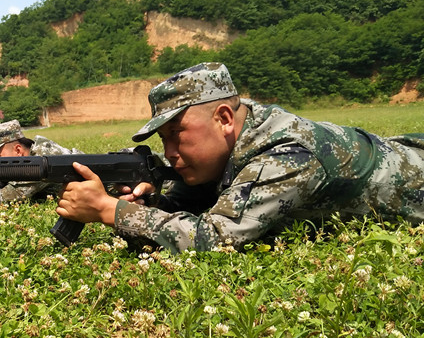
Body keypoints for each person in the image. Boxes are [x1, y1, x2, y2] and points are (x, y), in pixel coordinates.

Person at [57, 62, 424, 253]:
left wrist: (109, 210)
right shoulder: (230, 150)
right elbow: (200, 208)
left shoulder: (288, 153)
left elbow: (215, 238)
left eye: (176, 135)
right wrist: (151, 203)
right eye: (162, 140)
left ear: (224, 119)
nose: (169, 152)